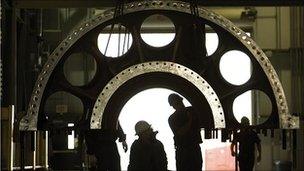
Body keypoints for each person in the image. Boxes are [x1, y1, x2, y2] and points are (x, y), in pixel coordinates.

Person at [167, 93, 202, 171]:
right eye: (178, 103)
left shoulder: (172, 118)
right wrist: (190, 120)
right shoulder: (192, 111)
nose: (180, 105)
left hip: (185, 150)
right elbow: (180, 132)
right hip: (189, 150)